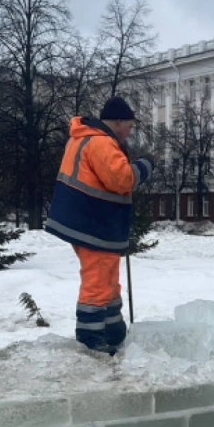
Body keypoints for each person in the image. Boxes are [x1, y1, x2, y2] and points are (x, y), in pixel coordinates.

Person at [45, 97, 154, 355]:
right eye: (129, 124)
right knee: (97, 280)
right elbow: (122, 179)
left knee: (107, 279)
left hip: (92, 221)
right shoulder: (101, 142)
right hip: (93, 222)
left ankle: (113, 331)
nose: (130, 130)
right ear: (117, 121)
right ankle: (91, 337)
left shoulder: (84, 138)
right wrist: (145, 166)